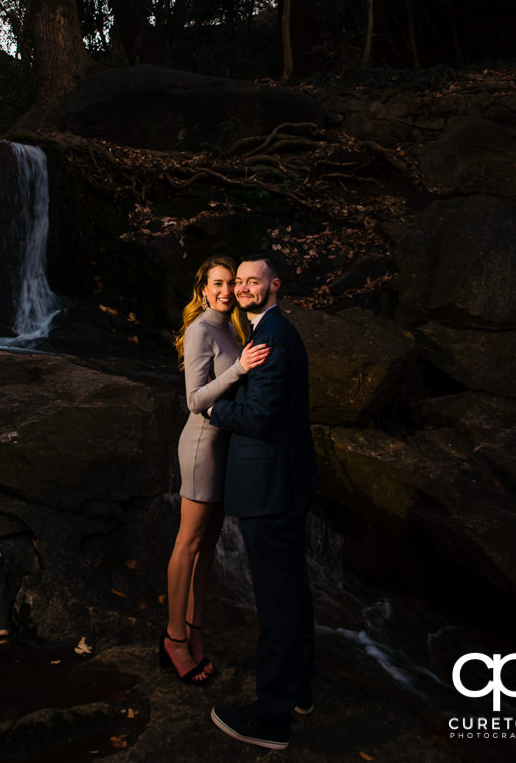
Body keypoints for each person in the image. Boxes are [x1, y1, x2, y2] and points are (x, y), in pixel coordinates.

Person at [208, 255, 318, 750]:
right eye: (241, 281)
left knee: (276, 601)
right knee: (293, 591)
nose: (246, 287)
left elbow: (257, 418)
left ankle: (271, 717)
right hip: (287, 482)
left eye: (255, 281)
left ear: (275, 286)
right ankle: (300, 692)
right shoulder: (266, 332)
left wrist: (213, 402)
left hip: (270, 486)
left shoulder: (272, 336)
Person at [160, 255, 270, 685]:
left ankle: (196, 633)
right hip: (202, 444)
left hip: (227, 446)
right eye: (218, 284)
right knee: (188, 542)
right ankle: (173, 639)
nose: (227, 292)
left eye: (232, 284)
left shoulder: (233, 327)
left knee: (207, 546)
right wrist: (241, 368)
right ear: (203, 289)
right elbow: (194, 399)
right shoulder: (200, 329)